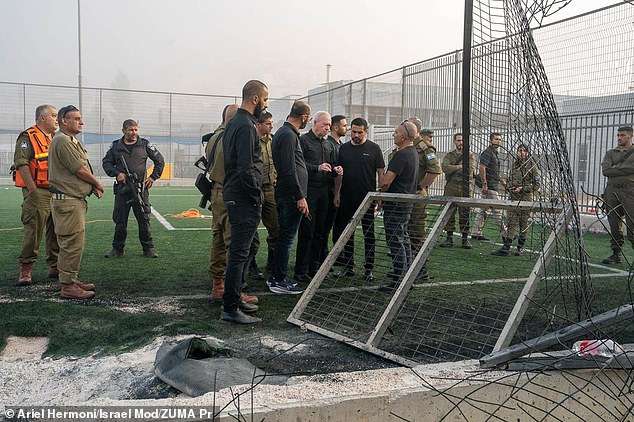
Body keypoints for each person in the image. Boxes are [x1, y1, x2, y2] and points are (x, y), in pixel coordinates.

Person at [221, 80, 268, 324]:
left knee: (241, 252)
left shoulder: (235, 123)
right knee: (239, 253)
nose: (265, 105)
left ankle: (235, 299)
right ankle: (230, 308)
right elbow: (246, 168)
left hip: (237, 195)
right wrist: (256, 195)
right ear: (255, 99)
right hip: (243, 197)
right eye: (265, 100)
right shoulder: (246, 126)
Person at [48, 105, 104, 299]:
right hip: (68, 202)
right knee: (72, 243)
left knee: (70, 243)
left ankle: (70, 279)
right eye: (76, 118)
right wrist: (97, 183)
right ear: (64, 121)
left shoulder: (70, 140)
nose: (81, 122)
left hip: (73, 200)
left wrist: (91, 187)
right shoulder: (63, 140)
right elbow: (79, 169)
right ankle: (68, 286)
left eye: (81, 118)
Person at [102, 120, 164, 258]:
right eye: (130, 130)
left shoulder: (145, 144)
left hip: (140, 189)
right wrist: (117, 174)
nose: (133, 133)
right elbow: (106, 163)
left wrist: (153, 177)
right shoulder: (115, 146)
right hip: (122, 189)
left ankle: (148, 249)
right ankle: (117, 249)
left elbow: (159, 161)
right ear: (123, 130)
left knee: (144, 219)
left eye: (136, 129)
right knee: (120, 221)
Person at [13, 105, 60, 285]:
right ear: (42, 118)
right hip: (38, 190)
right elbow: (21, 163)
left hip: (55, 190)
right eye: (54, 116)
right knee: (33, 231)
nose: (57, 119)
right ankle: (26, 268)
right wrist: (32, 190)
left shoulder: (56, 138)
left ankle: (55, 265)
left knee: (56, 229)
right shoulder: (27, 137)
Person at [333, 117, 385, 280]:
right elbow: (339, 174)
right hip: (347, 197)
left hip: (367, 199)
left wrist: (380, 194)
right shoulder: (344, 149)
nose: (355, 135)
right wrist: (337, 193)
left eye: (359, 132)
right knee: (347, 233)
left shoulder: (374, 149)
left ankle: (368, 268)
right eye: (353, 131)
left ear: (366, 131)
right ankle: (348, 266)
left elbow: (380, 172)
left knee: (368, 234)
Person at [269, 100, 312, 294]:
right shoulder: (287, 135)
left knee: (285, 238)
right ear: (303, 117)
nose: (307, 123)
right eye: (308, 119)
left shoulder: (287, 133)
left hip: (289, 194)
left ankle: (278, 277)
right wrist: (299, 196)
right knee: (286, 239)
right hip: (290, 196)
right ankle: (278, 279)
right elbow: (288, 169)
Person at [295, 111, 342, 282]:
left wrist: (336, 170)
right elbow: (298, 165)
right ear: (314, 123)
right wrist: (317, 168)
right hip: (309, 192)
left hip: (325, 193)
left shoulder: (328, 145)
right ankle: (301, 270)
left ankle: (314, 268)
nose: (328, 128)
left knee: (320, 232)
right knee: (307, 232)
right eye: (325, 125)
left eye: (329, 125)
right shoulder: (303, 141)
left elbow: (332, 165)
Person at [379, 121, 419, 288]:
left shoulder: (401, 155)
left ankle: (398, 279)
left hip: (395, 203)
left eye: (396, 132)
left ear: (403, 136)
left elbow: (386, 181)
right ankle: (406, 276)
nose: (393, 135)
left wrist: (380, 193)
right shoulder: (413, 153)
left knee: (395, 240)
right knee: (404, 239)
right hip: (405, 202)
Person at [245, 110, 279, 278]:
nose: (271, 126)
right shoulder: (251, 140)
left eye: (271, 123)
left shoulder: (273, 141)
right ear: (258, 124)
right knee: (251, 230)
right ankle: (251, 265)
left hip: (270, 189)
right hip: (255, 190)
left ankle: (272, 263)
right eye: (268, 123)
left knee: (275, 228)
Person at [492, 143, 540, 256]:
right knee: (511, 223)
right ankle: (506, 248)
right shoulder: (514, 165)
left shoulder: (532, 166)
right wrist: (506, 185)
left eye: (524, 151)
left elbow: (537, 185)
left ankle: (520, 248)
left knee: (523, 224)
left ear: (528, 153)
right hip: (513, 199)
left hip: (525, 200)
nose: (522, 153)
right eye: (520, 151)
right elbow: (510, 180)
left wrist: (522, 188)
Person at [407, 121, 441, 280]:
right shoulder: (406, 144)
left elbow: (435, 170)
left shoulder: (424, 147)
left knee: (416, 233)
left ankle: (421, 270)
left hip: (417, 198)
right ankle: (407, 267)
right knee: (406, 233)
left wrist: (420, 186)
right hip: (405, 196)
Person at [601, 126, 634, 264]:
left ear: (631, 136)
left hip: (630, 191)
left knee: (632, 225)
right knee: (614, 224)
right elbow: (606, 171)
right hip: (611, 191)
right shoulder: (611, 153)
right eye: (618, 135)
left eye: (623, 135)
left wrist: (616, 168)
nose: (619, 138)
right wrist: (625, 169)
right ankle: (615, 253)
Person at [439, 132, 477, 249]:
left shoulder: (470, 155)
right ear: (454, 141)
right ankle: (449, 238)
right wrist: (460, 167)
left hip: (465, 187)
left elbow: (469, 169)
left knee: (464, 213)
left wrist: (454, 168)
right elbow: (445, 168)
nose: (460, 143)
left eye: (462, 140)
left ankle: (465, 239)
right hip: (451, 186)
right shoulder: (449, 155)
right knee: (449, 213)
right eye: (458, 140)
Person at [321, 115, 347, 261]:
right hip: (329, 190)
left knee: (338, 224)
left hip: (338, 191)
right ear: (335, 127)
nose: (346, 128)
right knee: (325, 226)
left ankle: (337, 255)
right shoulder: (328, 145)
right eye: (344, 125)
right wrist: (335, 193)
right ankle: (323, 256)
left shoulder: (340, 145)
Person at [471, 132, 507, 241]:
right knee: (498, 210)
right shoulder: (487, 153)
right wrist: (485, 184)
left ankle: (475, 233)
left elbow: (495, 172)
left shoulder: (494, 153)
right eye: (496, 139)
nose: (498, 141)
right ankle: (506, 234)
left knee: (483, 210)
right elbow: (482, 168)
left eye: (500, 139)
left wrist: (503, 183)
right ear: (490, 140)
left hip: (492, 185)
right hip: (490, 187)